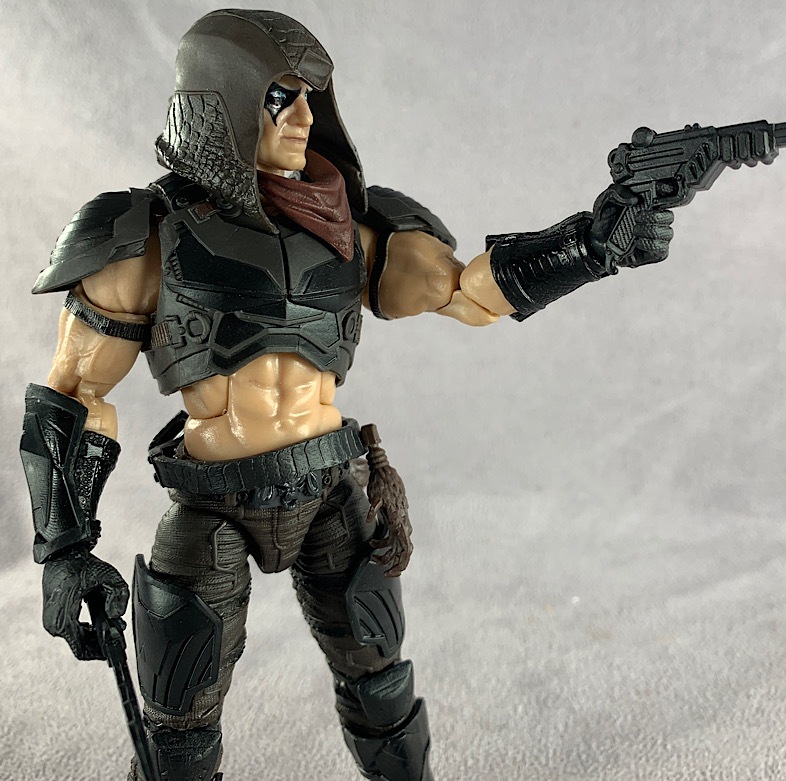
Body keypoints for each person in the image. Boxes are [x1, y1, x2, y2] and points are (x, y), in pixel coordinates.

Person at [20, 10, 673, 781]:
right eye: (279, 98)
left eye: (309, 98)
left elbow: (467, 293)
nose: (304, 117)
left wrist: (591, 246)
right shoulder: (146, 236)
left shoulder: (352, 228)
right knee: (179, 721)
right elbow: (73, 393)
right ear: (221, 101)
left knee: (380, 682)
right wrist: (64, 550)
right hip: (213, 501)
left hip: (329, 487)